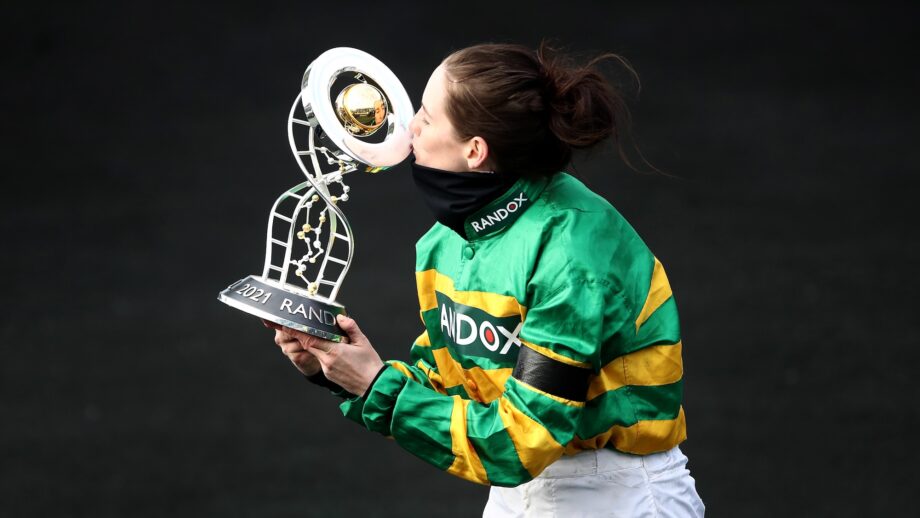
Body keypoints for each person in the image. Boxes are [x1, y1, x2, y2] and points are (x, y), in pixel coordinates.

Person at [264, 42, 705, 517]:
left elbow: (520, 441)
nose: (410, 127)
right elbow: (454, 388)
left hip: (617, 496)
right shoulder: (445, 242)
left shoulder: (572, 256)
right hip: (518, 494)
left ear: (475, 151)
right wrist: (339, 370)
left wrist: (375, 386)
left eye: (427, 118)